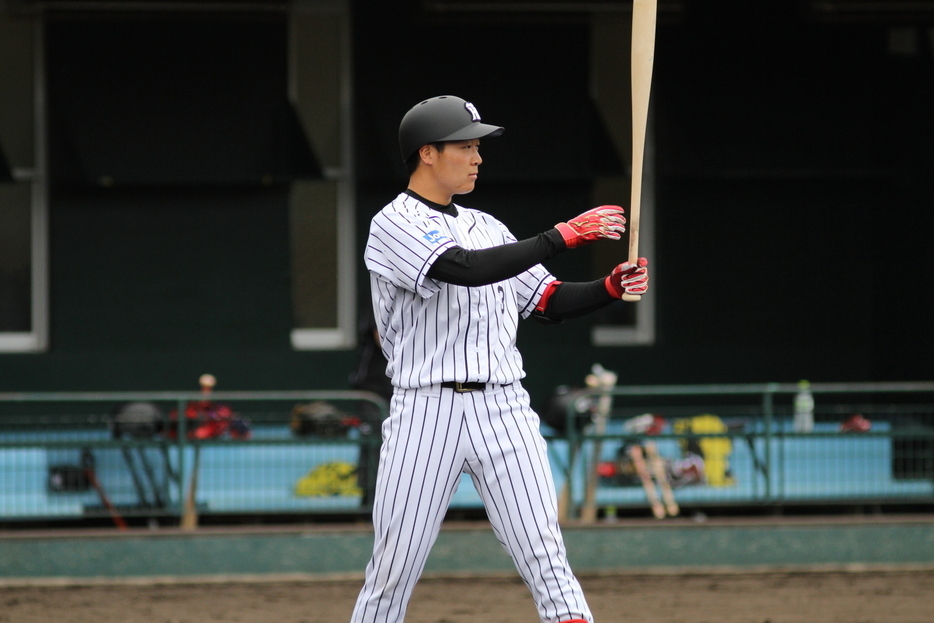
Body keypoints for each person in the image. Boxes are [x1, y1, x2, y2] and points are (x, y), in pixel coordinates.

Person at [351, 95, 649, 623]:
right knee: (393, 570)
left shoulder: (488, 225)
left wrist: (608, 287)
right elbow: (460, 268)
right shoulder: (392, 221)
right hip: (427, 411)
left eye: (477, 146)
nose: (477, 156)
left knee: (546, 556)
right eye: (465, 146)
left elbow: (548, 300)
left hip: (504, 408)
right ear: (427, 153)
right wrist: (562, 235)